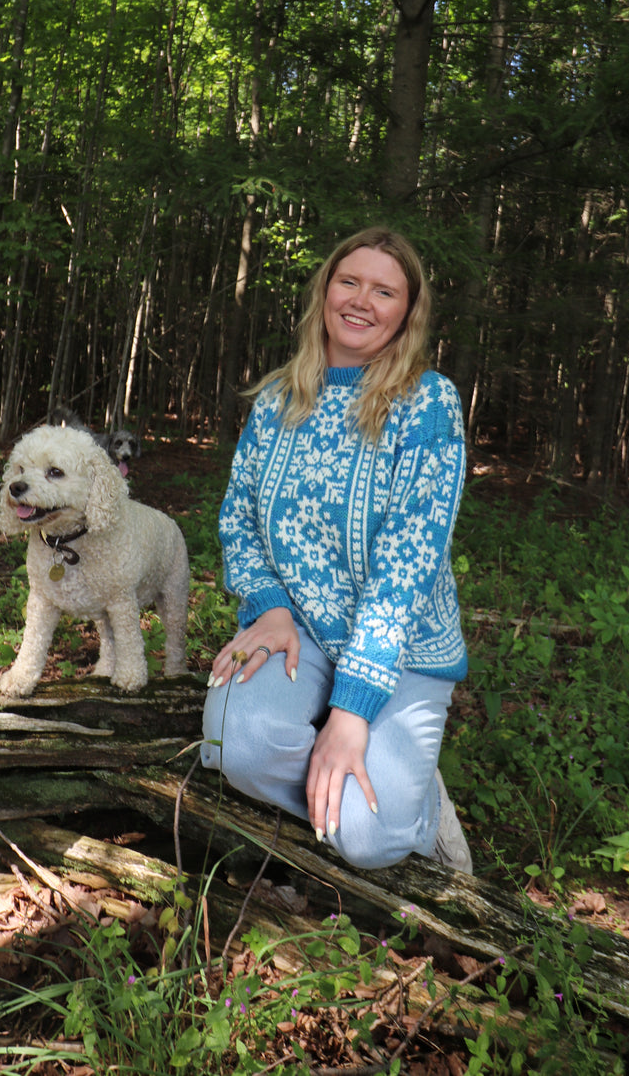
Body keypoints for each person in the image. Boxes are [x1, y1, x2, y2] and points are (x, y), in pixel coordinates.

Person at [200, 226, 472, 873]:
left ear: (407, 313)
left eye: (385, 290)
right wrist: (267, 606)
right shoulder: (276, 401)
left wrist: (352, 709)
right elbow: (237, 517)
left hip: (403, 648)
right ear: (325, 290)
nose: (361, 300)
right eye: (349, 281)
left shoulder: (427, 404)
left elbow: (405, 572)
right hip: (300, 633)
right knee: (228, 743)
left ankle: (414, 802)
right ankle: (349, 763)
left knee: (370, 840)